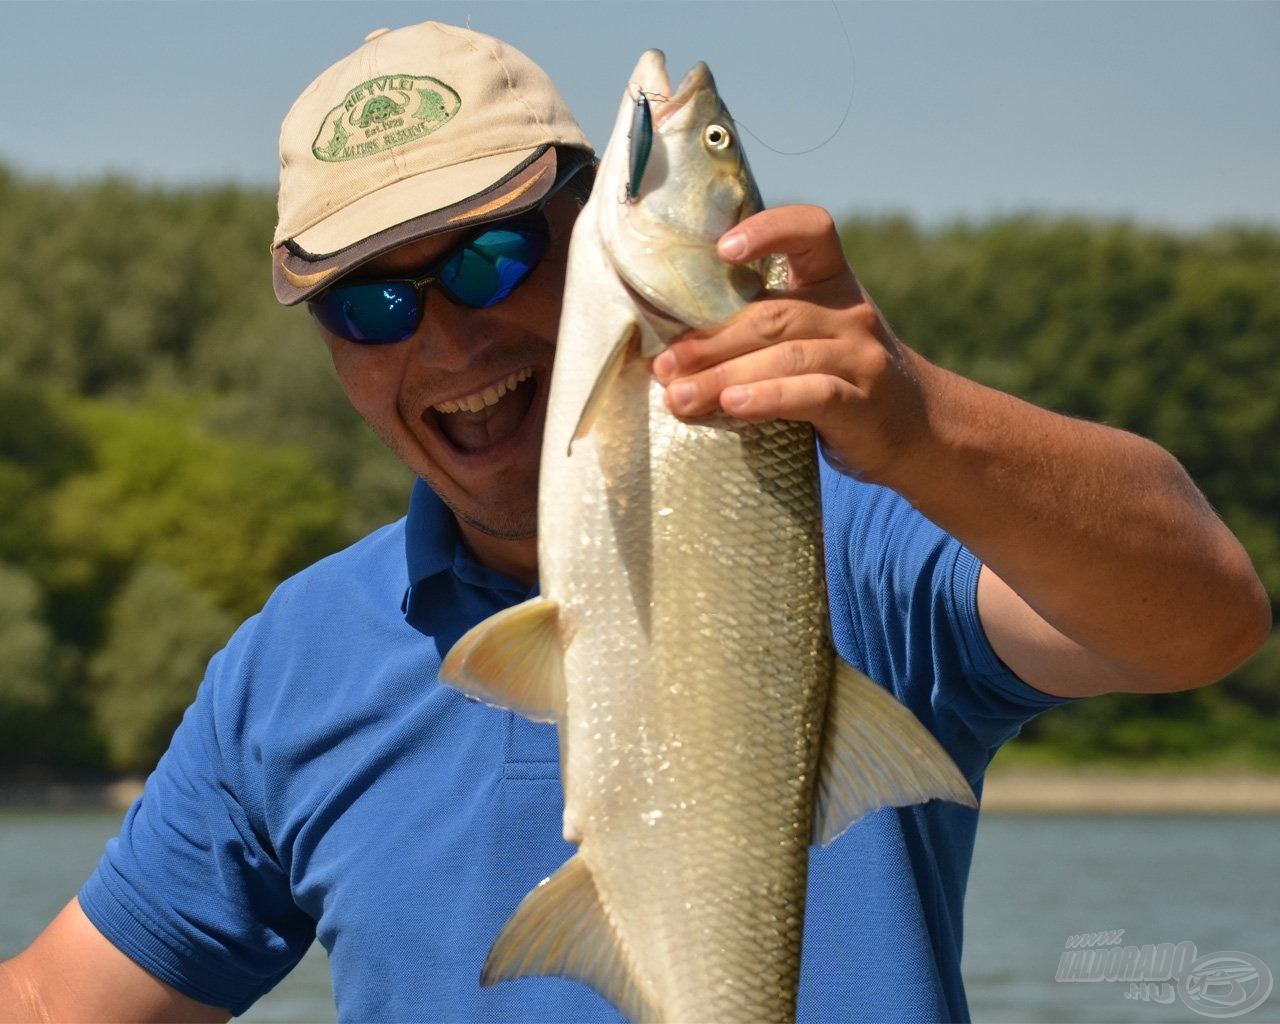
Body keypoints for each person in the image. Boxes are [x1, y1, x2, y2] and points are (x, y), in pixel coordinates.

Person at [0, 21, 1269, 1024]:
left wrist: (922, 421)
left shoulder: (847, 537)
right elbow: (64, 1000)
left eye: (491, 257)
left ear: (589, 225)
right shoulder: (293, 665)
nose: (447, 337)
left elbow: (1204, 617)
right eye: (370, 309)